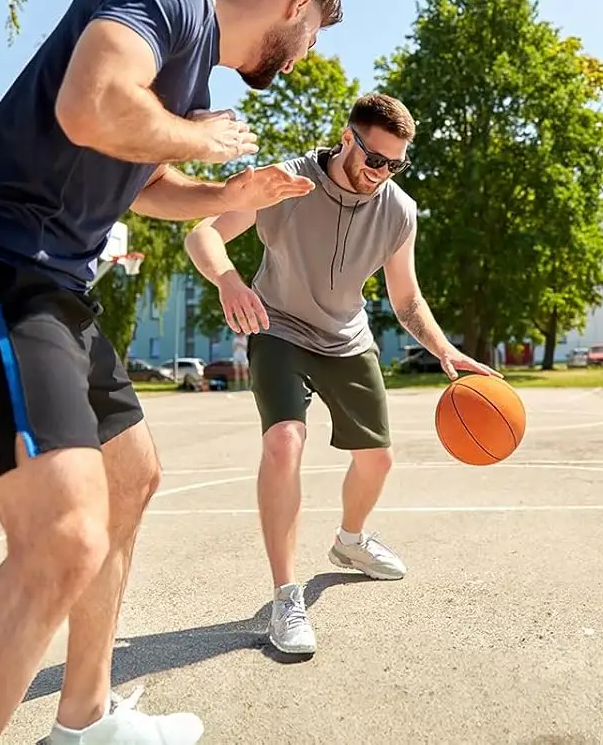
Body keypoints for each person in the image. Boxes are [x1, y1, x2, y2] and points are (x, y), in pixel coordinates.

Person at [0, 0, 341, 745]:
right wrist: (202, 139)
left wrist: (226, 190)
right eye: (314, 39)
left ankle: (84, 721)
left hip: (56, 283)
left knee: (131, 476)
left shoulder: (190, 76)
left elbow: (144, 186)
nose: (306, 58)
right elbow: (91, 103)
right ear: (295, 6)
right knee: (62, 539)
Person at [182, 92, 496, 657]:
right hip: (279, 329)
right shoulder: (288, 182)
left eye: (395, 164)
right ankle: (285, 595)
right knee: (284, 443)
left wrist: (446, 349)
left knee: (378, 459)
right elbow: (201, 233)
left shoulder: (399, 210)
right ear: (348, 138)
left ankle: (350, 542)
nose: (381, 173)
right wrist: (229, 280)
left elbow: (406, 298)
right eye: (375, 158)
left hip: (347, 338)